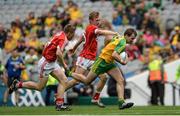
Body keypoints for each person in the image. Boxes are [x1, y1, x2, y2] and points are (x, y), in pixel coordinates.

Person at [8, 24, 84, 111]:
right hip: (46, 63)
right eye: (73, 34)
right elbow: (58, 53)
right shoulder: (64, 39)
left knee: (64, 80)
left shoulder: (60, 34)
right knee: (39, 87)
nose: (73, 36)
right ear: (69, 33)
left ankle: (59, 104)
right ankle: (17, 84)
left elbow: (48, 45)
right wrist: (64, 65)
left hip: (51, 62)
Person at [69, 28, 137, 109]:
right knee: (87, 81)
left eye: (134, 39)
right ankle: (69, 73)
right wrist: (123, 61)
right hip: (101, 62)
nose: (133, 40)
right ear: (126, 36)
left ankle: (121, 102)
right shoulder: (122, 43)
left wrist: (106, 47)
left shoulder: (119, 38)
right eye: (132, 38)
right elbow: (114, 55)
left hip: (109, 63)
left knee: (120, 80)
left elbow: (107, 38)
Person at [66, 11, 118, 107]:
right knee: (76, 80)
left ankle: (95, 98)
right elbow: (101, 32)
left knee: (104, 77)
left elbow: (82, 38)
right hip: (85, 58)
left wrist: (74, 48)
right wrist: (114, 33)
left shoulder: (88, 29)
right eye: (96, 20)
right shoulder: (92, 28)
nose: (98, 21)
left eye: (99, 19)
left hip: (92, 59)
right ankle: (60, 93)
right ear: (91, 20)